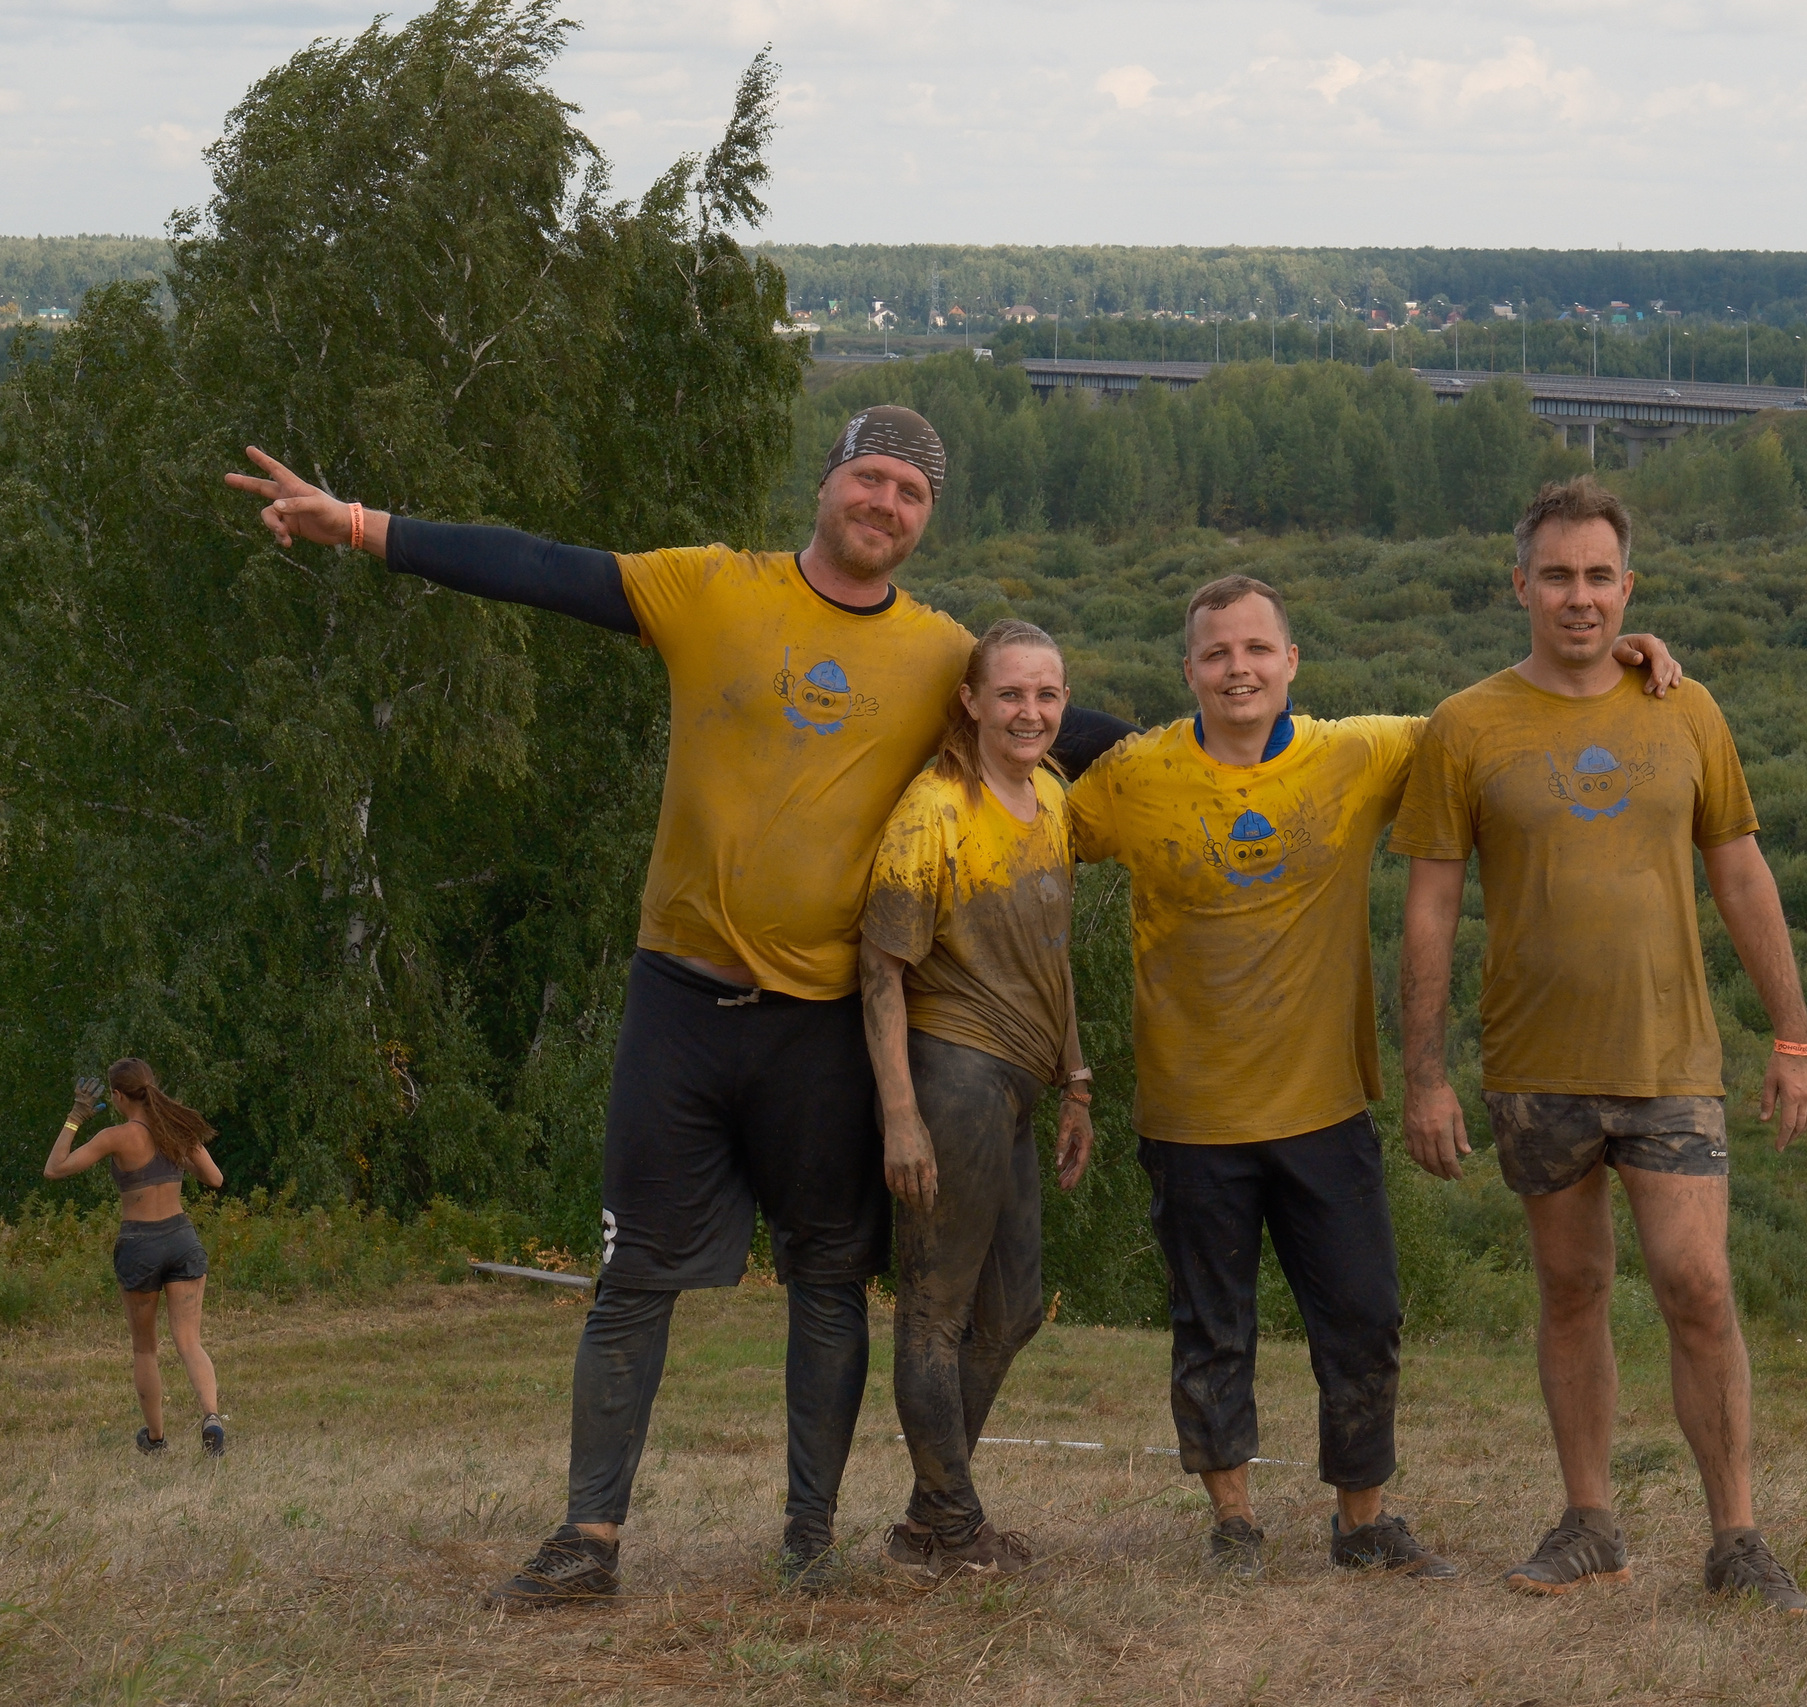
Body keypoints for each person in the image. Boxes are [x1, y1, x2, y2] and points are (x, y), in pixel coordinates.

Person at [225, 409, 1137, 1606]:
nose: (886, 506)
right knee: (634, 1280)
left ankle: (806, 1544)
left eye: (912, 494)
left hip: (822, 1020)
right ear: (828, 482)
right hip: (682, 1002)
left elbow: (1082, 742)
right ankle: (585, 1541)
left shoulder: (942, 658)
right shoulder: (710, 588)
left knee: (827, 1281)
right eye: (870, 479)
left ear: (927, 518)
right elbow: (541, 570)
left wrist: (1243, 758)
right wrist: (354, 524)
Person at [1066, 573, 1683, 1580]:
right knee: (1210, 1325)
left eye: (1257, 649)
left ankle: (1363, 1523)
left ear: (1291, 662)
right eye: (1216, 653)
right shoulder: (1134, 776)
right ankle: (1233, 1528)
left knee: (1362, 1314)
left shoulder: (1354, 753)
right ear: (1188, 670)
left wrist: (1604, 655)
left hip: (1324, 1104)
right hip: (1188, 1110)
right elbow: (1031, 813)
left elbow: (1488, 720)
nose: (1238, 669)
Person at [1394, 476, 1807, 1614]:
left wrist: (1794, 1035)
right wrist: (1424, 1076)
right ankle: (1590, 1521)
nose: (1577, 598)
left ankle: (1736, 1535)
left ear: (1627, 588)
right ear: (1518, 584)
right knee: (1571, 1285)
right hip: (1533, 1065)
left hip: (1671, 1059)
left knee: (1696, 1284)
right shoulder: (1465, 725)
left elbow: (1739, 871)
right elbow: (1430, 908)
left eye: (1598, 577)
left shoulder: (1685, 708)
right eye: (1556, 576)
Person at [858, 619, 1094, 1580]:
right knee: (935, 1312)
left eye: (1046, 694)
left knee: (1014, 1309)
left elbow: (1053, 955)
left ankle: (930, 1515)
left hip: (1023, 1083)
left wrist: (1076, 1081)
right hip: (951, 1072)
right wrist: (899, 1114)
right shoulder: (934, 810)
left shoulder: (1051, 795)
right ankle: (951, 1526)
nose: (1029, 711)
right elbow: (879, 967)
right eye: (1009, 694)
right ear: (972, 699)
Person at [44, 1059, 228, 1457]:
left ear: (117, 1095)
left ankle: (157, 1439)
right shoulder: (176, 1130)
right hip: (182, 1239)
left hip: (140, 1245)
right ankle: (211, 1416)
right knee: (189, 1341)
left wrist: (76, 1117)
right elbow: (214, 1179)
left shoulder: (117, 1136)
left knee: (145, 1349)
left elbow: (54, 1168)